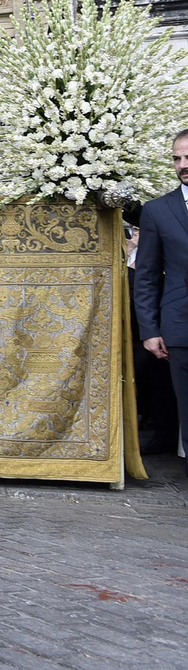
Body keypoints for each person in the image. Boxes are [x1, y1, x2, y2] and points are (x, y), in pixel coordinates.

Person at [133, 129, 188, 470]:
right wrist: (150, 329)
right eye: (177, 158)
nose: (183, 165)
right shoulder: (157, 210)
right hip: (181, 326)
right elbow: (147, 275)